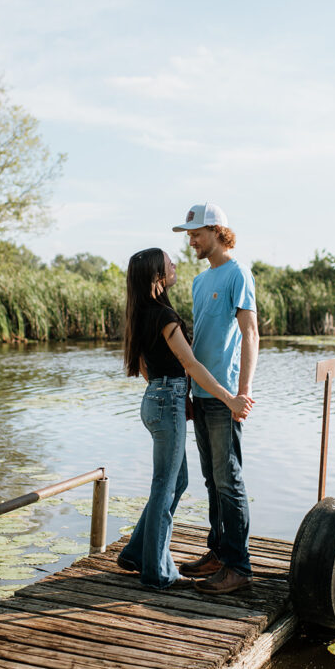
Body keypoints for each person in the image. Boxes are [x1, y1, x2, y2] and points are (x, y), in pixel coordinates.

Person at [118, 247, 253, 590]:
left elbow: (147, 368)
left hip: (156, 399)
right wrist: (230, 398)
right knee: (166, 485)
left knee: (175, 482)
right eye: (168, 262)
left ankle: (136, 551)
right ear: (157, 276)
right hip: (168, 401)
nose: (175, 263)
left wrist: (168, 390)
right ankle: (157, 572)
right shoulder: (164, 316)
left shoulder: (142, 312)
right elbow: (191, 364)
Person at [172, 203, 259, 594]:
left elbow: (251, 335)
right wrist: (191, 390)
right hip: (202, 393)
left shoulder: (238, 273)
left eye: (196, 233)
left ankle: (238, 567)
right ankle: (218, 553)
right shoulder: (199, 281)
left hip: (226, 397)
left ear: (216, 230)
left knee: (229, 480)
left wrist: (243, 392)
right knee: (212, 480)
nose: (191, 240)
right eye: (188, 235)